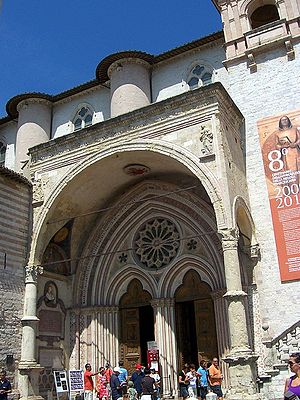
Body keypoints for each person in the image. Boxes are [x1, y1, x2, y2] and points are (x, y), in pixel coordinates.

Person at [275, 115, 300, 182]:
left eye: (286, 119)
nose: (285, 121)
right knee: (292, 170)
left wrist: (295, 144)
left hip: (296, 151)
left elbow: (299, 139)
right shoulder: (277, 133)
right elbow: (277, 145)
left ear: (288, 120)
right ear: (280, 122)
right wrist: (284, 146)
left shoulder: (294, 129)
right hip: (286, 154)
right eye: (283, 120)